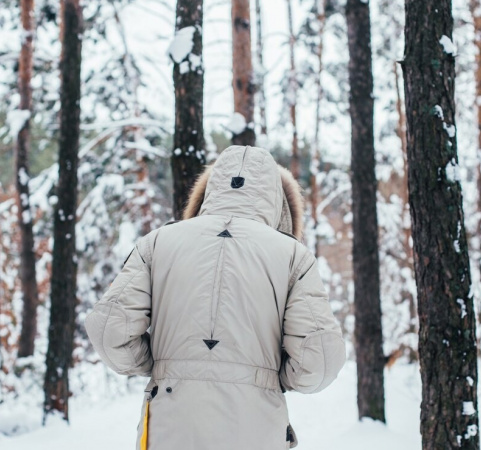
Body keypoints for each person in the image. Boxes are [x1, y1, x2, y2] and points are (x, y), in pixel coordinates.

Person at [85, 145, 346, 450]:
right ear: (277, 200)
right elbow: (320, 360)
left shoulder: (158, 242)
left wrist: (161, 364)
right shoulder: (293, 257)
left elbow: (109, 330)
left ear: (211, 188)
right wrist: (269, 377)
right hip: (255, 427)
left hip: (170, 424)